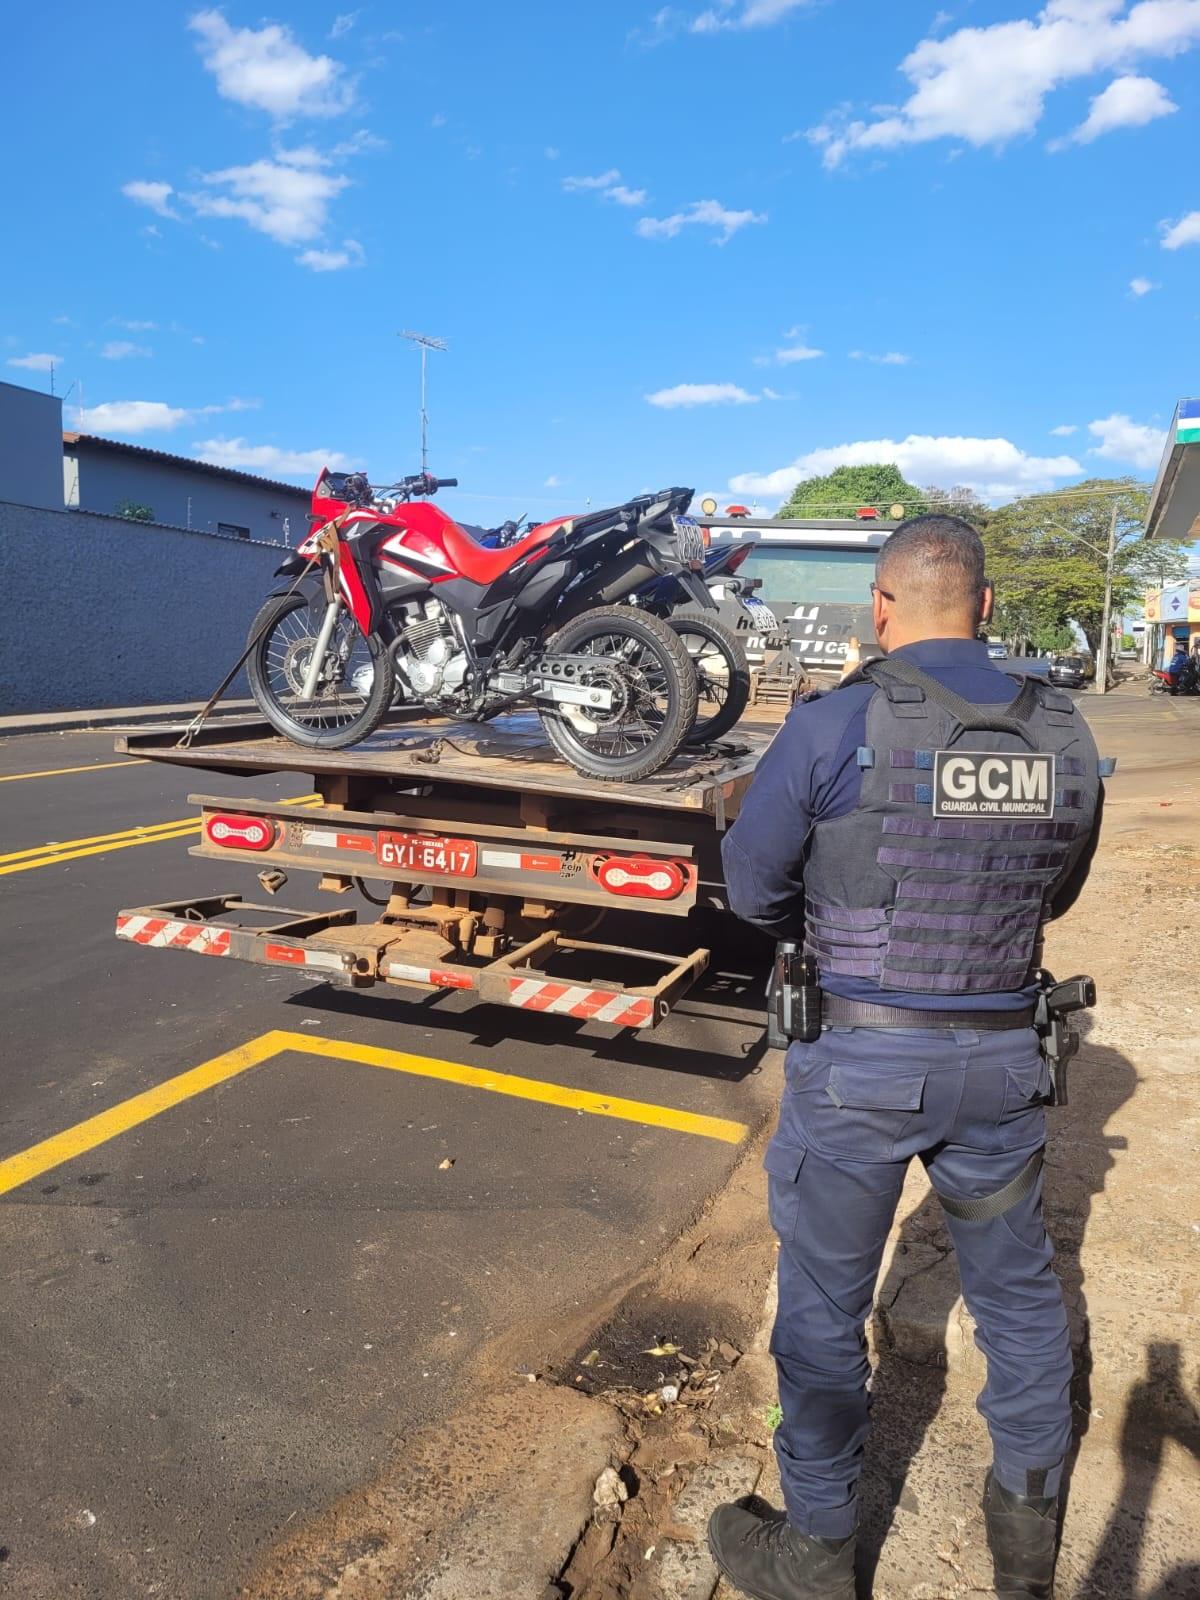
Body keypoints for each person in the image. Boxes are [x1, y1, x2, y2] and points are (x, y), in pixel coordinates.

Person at [707, 516, 1105, 1600]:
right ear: (984, 604)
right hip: (1003, 1068)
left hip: (860, 1071)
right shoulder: (1063, 734)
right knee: (1021, 1306)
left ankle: (820, 1555)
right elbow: (1056, 889)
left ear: (880, 608)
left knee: (823, 1313)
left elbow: (751, 889)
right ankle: (1026, 1565)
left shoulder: (836, 724)